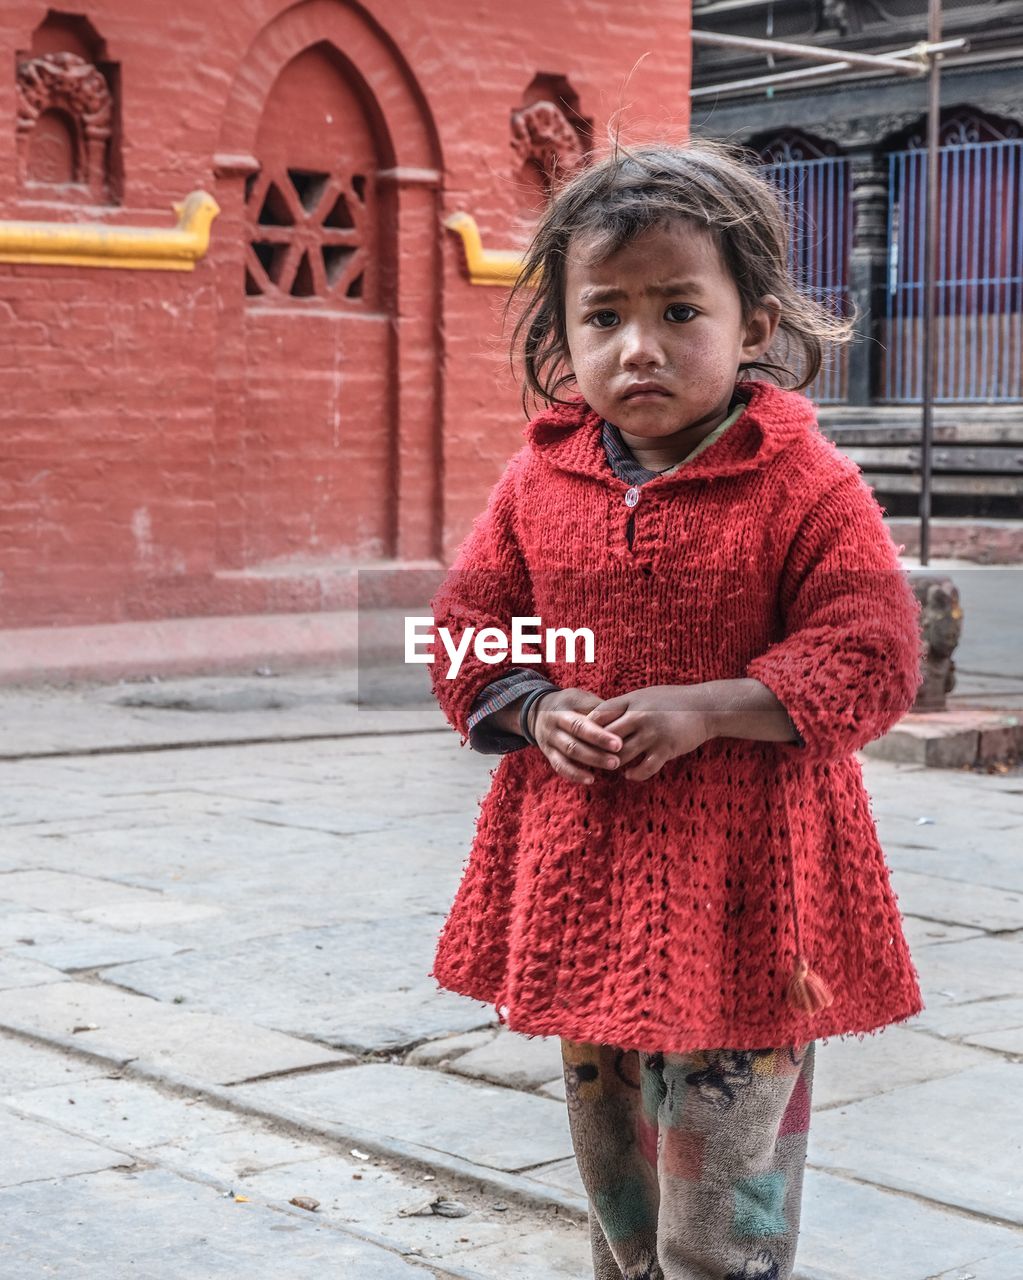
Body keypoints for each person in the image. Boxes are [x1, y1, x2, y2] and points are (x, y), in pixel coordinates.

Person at [426, 141, 925, 1280]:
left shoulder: (806, 484)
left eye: (679, 309)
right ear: (562, 333)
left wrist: (713, 708)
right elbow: (464, 632)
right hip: (584, 881)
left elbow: (873, 653)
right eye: (602, 316)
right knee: (618, 1177)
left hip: (755, 896)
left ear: (753, 324)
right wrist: (535, 705)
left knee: (721, 1194)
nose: (637, 346)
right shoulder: (535, 485)